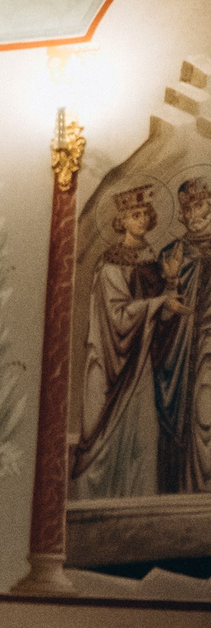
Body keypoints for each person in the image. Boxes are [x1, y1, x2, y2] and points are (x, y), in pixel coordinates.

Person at [71, 186, 174, 498]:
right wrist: (158, 304)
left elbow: (162, 312)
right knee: (116, 429)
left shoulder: (152, 259)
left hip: (145, 358)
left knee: (146, 431)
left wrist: (169, 289)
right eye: (134, 215)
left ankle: (141, 497)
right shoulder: (111, 262)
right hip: (118, 359)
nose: (141, 220)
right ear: (121, 221)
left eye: (144, 214)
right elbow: (117, 316)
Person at [153, 177, 211, 495]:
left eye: (202, 205)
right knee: (203, 410)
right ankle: (197, 491)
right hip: (192, 347)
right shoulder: (174, 254)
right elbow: (161, 317)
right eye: (189, 208)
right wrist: (172, 286)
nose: (196, 214)